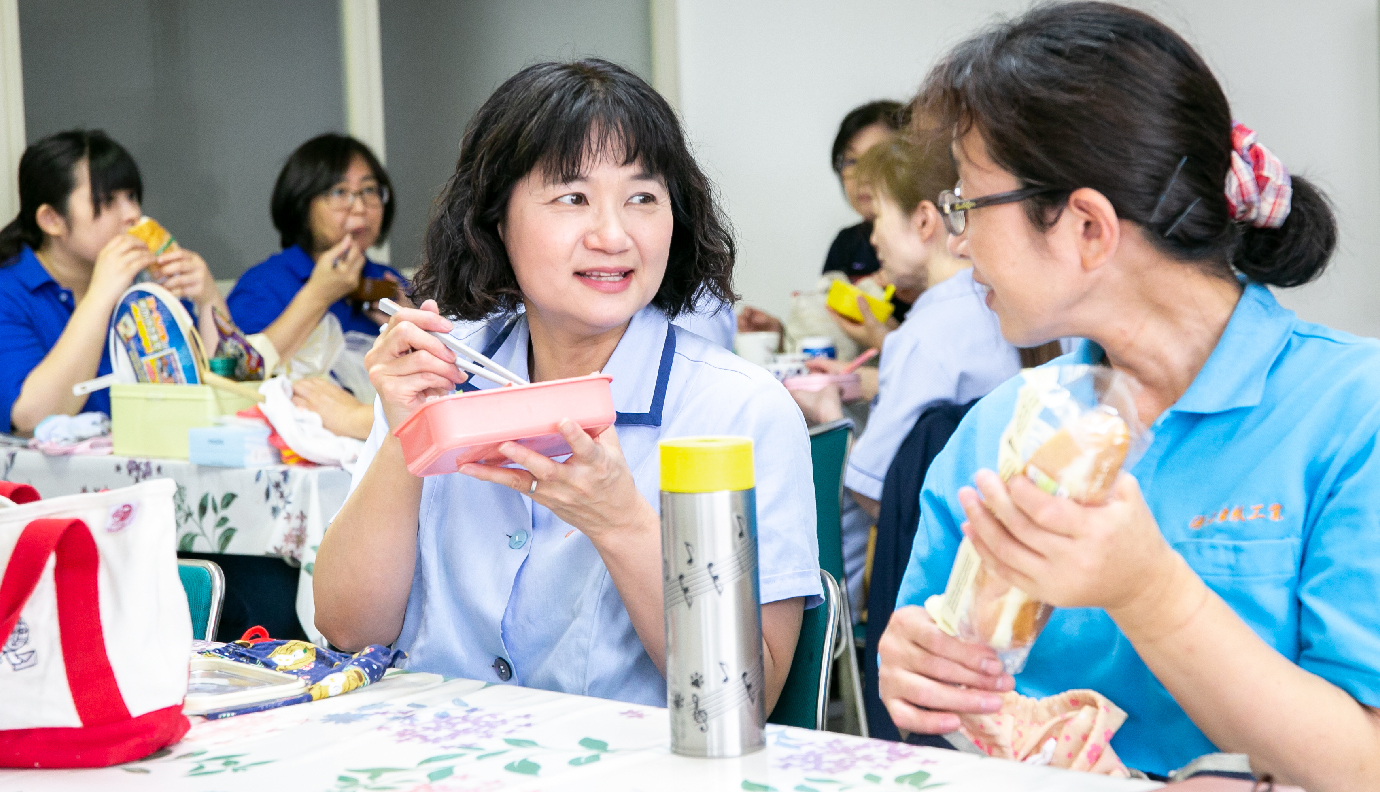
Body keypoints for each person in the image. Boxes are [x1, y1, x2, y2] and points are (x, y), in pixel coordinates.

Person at [878, 4, 1380, 787]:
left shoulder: (1354, 413)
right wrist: (917, 672)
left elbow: (1363, 763)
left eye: (969, 204)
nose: (959, 238)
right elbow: (942, 681)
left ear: (1087, 227)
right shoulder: (998, 430)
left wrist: (1150, 592)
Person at [313, 59, 821, 712]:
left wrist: (622, 524)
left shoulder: (738, 411)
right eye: (572, 198)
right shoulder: (439, 374)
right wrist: (405, 442)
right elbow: (349, 632)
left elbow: (738, 698)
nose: (613, 236)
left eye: (643, 197)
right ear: (497, 218)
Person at [792, 135, 1018, 616]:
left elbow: (875, 492)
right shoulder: (1006, 310)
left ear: (922, 220)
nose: (871, 239)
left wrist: (830, 414)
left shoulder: (923, 336)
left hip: (934, 578)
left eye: (877, 221)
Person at [0, 130, 227, 434]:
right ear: (52, 220)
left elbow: (227, 395)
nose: (133, 214)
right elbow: (31, 418)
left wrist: (209, 301)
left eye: (132, 197)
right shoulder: (9, 292)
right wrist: (101, 296)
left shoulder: (144, 287)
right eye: (107, 201)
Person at [228, 134, 407, 440]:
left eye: (369, 190)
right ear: (302, 203)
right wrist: (318, 294)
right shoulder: (264, 285)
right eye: (340, 192)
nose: (360, 207)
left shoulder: (388, 284)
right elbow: (239, 376)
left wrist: (412, 322)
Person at [737, 100, 912, 343]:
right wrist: (782, 337)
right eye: (851, 161)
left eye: (877, 158)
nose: (862, 175)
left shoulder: (926, 239)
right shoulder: (847, 243)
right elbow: (835, 327)